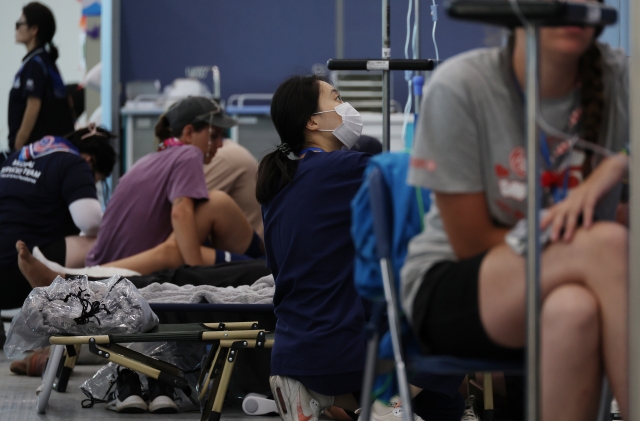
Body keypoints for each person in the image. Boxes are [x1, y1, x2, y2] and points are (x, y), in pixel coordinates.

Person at [402, 1, 629, 419]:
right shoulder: (463, 85)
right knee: (607, 244)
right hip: (459, 283)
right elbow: (471, 244)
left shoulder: (620, 79)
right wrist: (577, 245)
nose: (575, 9)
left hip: (574, 286)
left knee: (573, 310)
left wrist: (617, 166)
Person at [257, 75, 466, 421]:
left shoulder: (279, 184)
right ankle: (389, 406)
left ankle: (336, 398)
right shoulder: (344, 168)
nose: (345, 107)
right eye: (337, 99)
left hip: (295, 347)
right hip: (345, 345)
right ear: (312, 122)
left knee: (444, 407)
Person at [85, 96, 263, 271]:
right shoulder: (190, 154)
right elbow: (180, 212)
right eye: (214, 136)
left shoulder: (149, 160)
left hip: (104, 262)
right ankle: (263, 264)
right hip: (122, 267)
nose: (219, 144)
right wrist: (197, 275)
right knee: (216, 202)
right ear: (188, 133)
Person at [0, 126, 116, 309]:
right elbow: (90, 222)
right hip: (18, 273)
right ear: (90, 161)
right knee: (106, 240)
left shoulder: (17, 157)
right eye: (95, 181)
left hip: (7, 274)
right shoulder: (76, 162)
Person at [8, 2, 74, 153]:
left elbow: (33, 106)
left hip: (34, 151)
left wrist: (18, 147)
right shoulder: (42, 61)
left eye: (19, 23)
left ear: (34, 30)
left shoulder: (37, 64)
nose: (16, 28)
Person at [205, 139, 263, 238]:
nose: (219, 144)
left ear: (188, 133)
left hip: (253, 249)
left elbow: (184, 213)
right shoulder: (226, 150)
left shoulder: (222, 156)